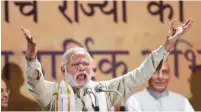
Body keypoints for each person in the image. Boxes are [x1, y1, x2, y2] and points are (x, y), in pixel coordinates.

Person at [22, 19, 193, 111]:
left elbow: (139, 75)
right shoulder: (53, 94)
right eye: (75, 64)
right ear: (63, 69)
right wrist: (31, 59)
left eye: (86, 64)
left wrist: (167, 47)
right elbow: (35, 84)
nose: (82, 67)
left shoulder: (105, 91)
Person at [125, 60, 194, 111]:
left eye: (164, 72)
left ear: (169, 76)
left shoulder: (182, 101)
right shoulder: (134, 101)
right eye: (155, 72)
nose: (160, 77)